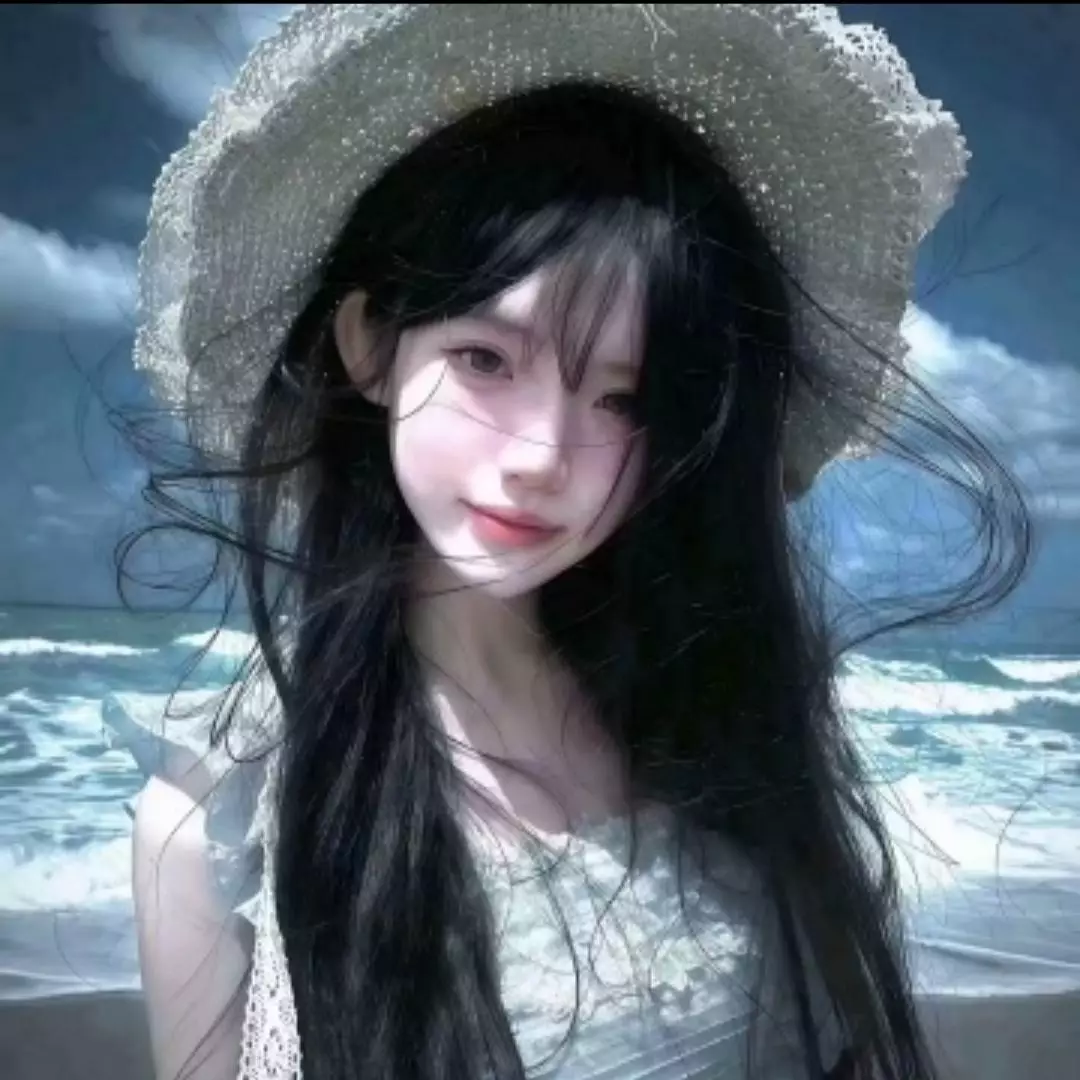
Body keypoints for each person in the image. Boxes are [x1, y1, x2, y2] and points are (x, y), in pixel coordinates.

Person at [102, 5, 1031, 1080]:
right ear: (371, 345)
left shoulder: (717, 713)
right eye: (487, 360)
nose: (543, 454)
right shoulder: (218, 823)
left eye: (623, 399)